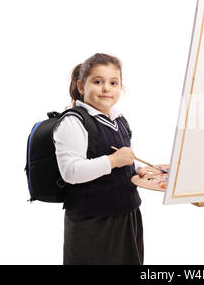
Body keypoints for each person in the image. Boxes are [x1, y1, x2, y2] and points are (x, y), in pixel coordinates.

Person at [53, 53, 168, 265]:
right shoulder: (73, 122)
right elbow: (70, 172)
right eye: (98, 82)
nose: (106, 88)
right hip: (92, 223)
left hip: (127, 215)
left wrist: (135, 171)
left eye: (113, 83)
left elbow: (116, 164)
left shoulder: (119, 120)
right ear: (81, 86)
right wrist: (114, 160)